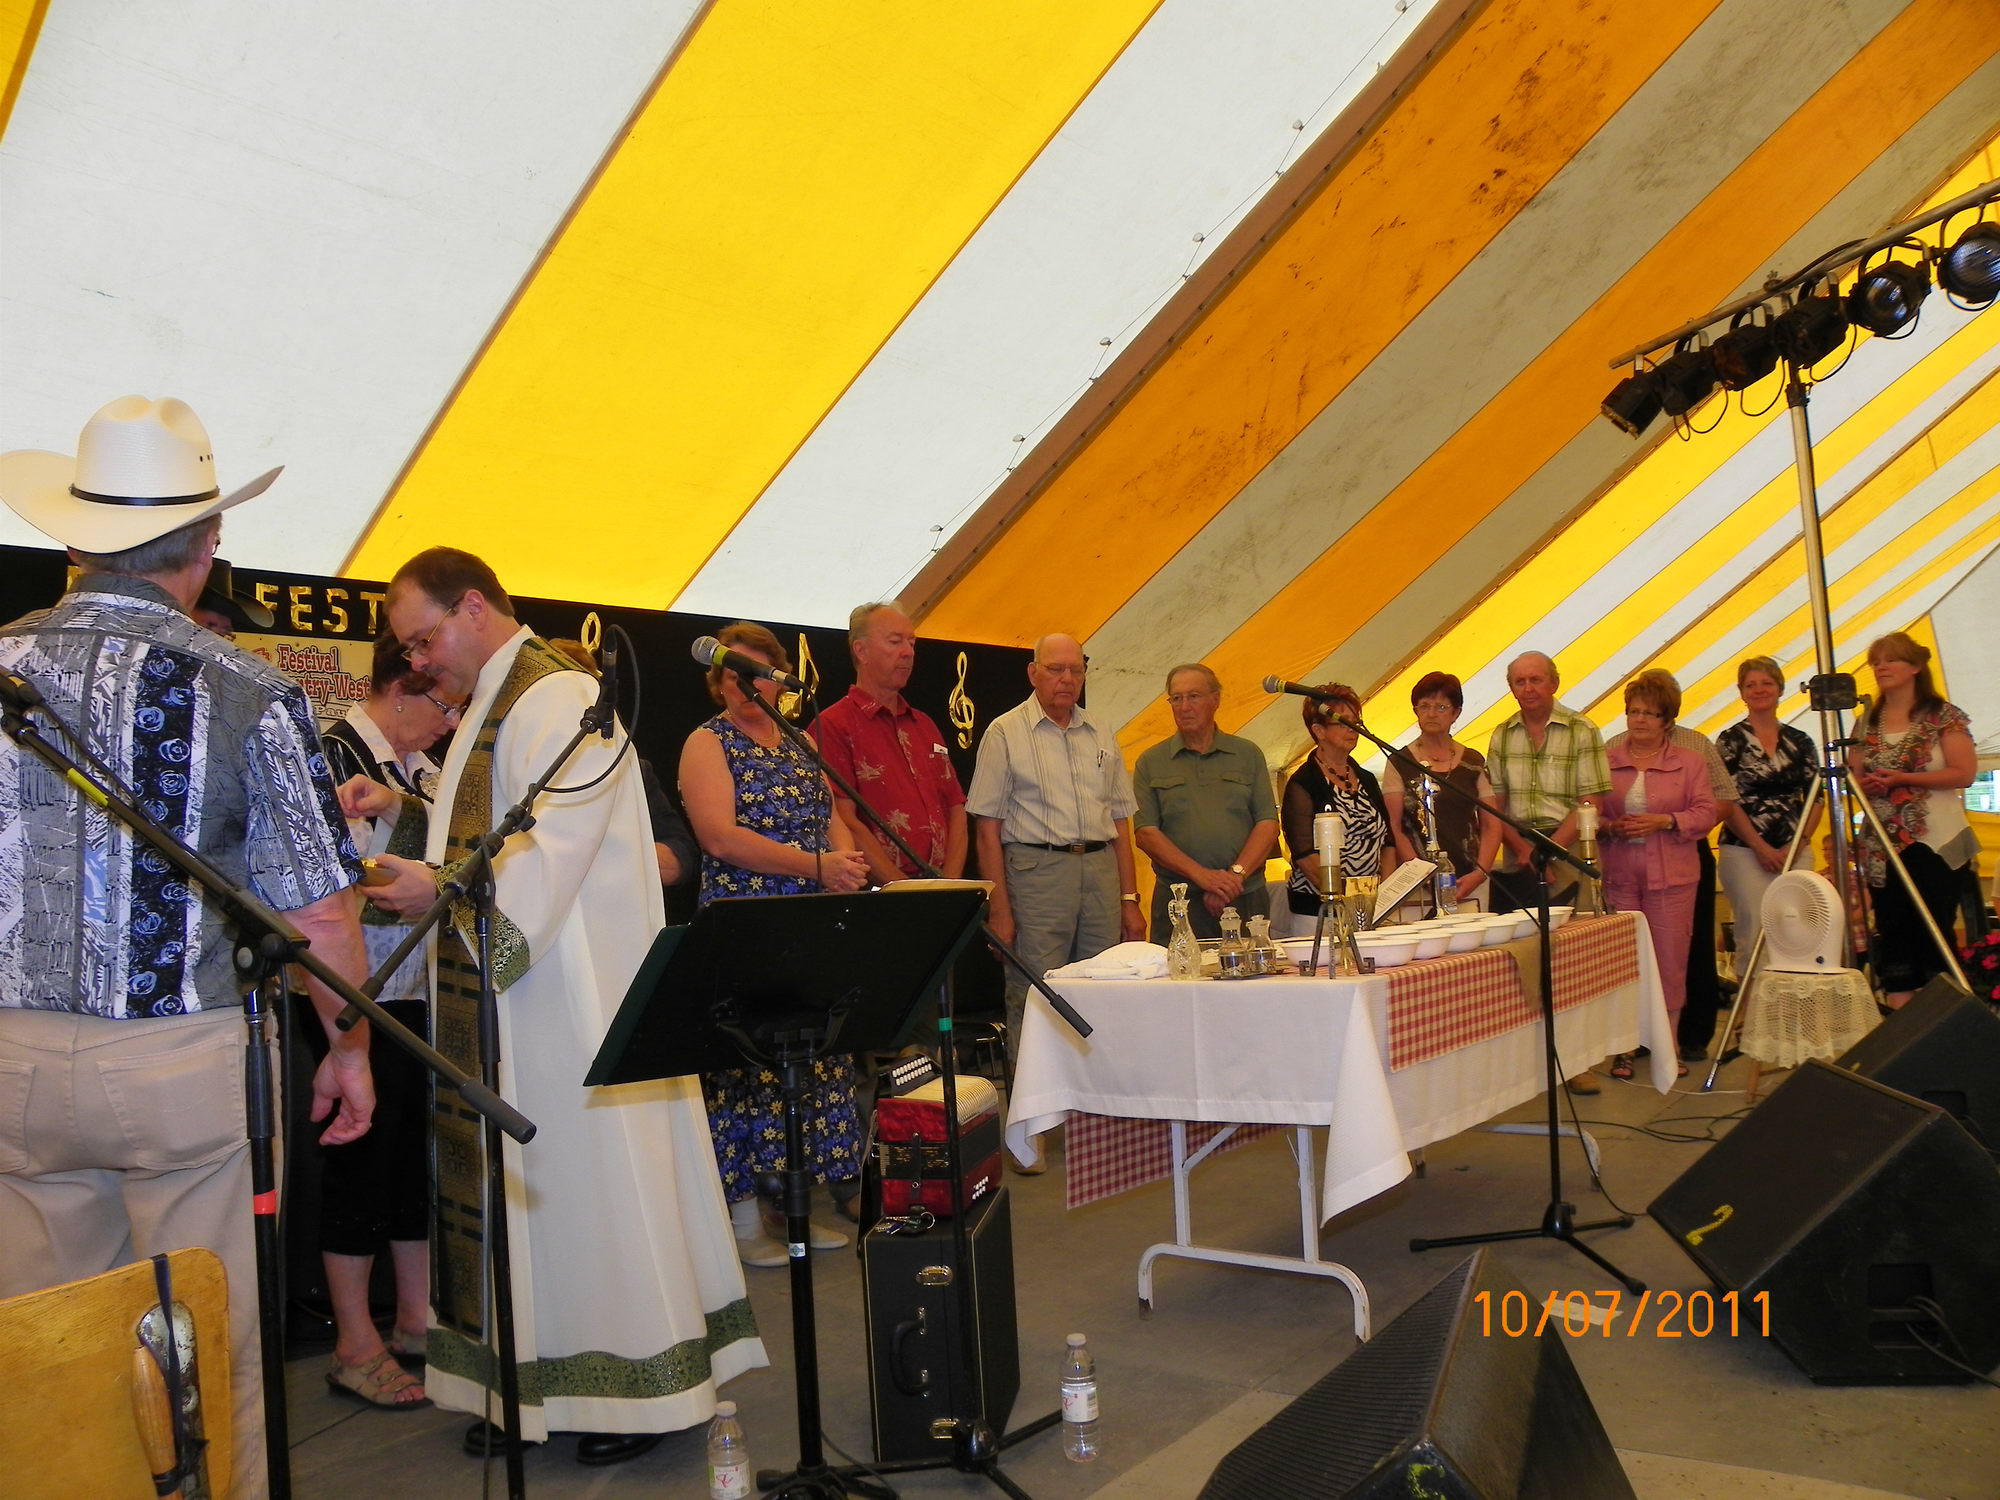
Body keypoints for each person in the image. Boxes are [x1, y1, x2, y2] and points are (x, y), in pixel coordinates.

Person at [0, 396, 375, 1497]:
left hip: (13, 1057)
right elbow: (321, 915)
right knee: (197, 1342)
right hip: (179, 1058)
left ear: (73, 540)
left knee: (49, 1347)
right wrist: (348, 1049)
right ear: (208, 543)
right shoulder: (247, 689)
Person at [359, 548, 763, 1464]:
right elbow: (485, 833)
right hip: (526, 1001)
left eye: (422, 639)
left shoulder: (555, 697)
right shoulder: (499, 699)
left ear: (472, 606)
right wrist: (400, 817)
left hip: (574, 1000)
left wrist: (441, 890)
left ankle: (635, 1398)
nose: (418, 661)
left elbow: (555, 853)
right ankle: (529, 1385)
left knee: (592, 1192)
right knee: (534, 1203)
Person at [679, 621, 869, 1267]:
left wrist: (844, 862)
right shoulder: (707, 741)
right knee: (745, 1068)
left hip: (809, 921)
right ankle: (741, 1223)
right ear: (718, 681)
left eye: (755, 672)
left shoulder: (800, 739)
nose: (744, 683)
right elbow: (719, 837)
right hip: (747, 923)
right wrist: (817, 866)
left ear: (778, 680)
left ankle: (796, 1212)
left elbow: (833, 817)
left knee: (811, 1060)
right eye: (731, 672)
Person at [312, 635, 461, 1409]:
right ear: (401, 688)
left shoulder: (423, 770)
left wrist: (406, 818)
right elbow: (344, 883)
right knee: (359, 1165)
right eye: (442, 703)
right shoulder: (333, 755)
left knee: (412, 1162)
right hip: (348, 992)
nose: (450, 720)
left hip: (416, 988)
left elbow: (455, 851)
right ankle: (353, 1342)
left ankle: (413, 1318)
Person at [966, 633, 1145, 1090]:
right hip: (1036, 873)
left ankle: (1100, 1106)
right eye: (1055, 669)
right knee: (1035, 992)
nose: (1067, 679)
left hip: (1101, 871)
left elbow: (1121, 821)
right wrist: (999, 910)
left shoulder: (1101, 731)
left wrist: (1130, 899)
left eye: (1076, 670)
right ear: (1033, 673)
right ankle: (1036, 1114)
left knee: (1104, 986)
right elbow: (986, 829)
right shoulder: (1005, 732)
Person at [1484, 652, 1611, 1093]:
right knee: (1519, 960)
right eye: (1519, 682)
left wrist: (1550, 850)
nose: (1528, 688)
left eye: (1536, 680)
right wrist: (1523, 849)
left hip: (1571, 849)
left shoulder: (1582, 729)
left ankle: (1577, 1062)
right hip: (1517, 853)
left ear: (1554, 683)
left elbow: (1592, 800)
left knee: (1572, 959)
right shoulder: (1501, 735)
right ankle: (1525, 1062)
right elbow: (1495, 804)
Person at [1605, 667, 1739, 1060]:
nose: (1639, 720)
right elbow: (1589, 812)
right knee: (1624, 961)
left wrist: (1666, 821)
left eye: (1649, 713)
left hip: (1673, 876)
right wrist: (1611, 828)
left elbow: (1708, 811)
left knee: (1670, 961)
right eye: (1633, 711)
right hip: (1621, 875)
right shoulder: (1605, 758)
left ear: (1668, 720)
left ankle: (1670, 1044)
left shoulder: (1692, 758)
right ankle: (1627, 1046)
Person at [1851, 632, 1977, 1006]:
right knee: (1893, 928)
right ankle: (1901, 1013)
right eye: (1876, 662)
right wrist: (1866, 784)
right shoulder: (1865, 722)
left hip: (1936, 840)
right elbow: (1853, 775)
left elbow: (1964, 773)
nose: (1881, 668)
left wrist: (1905, 778)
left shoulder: (1944, 716)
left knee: (1933, 925)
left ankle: (1942, 1015)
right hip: (1882, 843)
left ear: (1916, 667)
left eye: (1891, 660)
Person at [812, 602, 968, 882]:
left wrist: (951, 885)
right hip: (878, 892)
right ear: (861, 651)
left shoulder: (924, 725)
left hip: (940, 887)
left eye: (912, 643)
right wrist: (903, 888)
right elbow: (844, 820)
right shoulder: (833, 726)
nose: (908, 652)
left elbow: (956, 807)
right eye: (895, 642)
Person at [1132, 663, 1280, 941]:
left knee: (1250, 970)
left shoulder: (1247, 754)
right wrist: (1203, 877)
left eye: (1193, 696)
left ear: (1216, 699)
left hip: (1245, 897)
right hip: (1179, 903)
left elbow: (1268, 824)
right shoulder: (1151, 762)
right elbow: (1146, 835)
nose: (1184, 706)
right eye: (1176, 698)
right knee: (1176, 969)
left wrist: (1233, 877)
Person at [1715, 656, 1818, 966]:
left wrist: (1797, 844)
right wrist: (1759, 847)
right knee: (1753, 931)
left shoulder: (1801, 741)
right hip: (1743, 850)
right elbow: (1726, 800)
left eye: (1766, 683)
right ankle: (1754, 995)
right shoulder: (1729, 741)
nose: (1759, 690)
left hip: (1795, 849)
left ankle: (1797, 993)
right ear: (1741, 692)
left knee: (1798, 929)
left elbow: (1816, 798)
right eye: (1751, 685)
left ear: (1780, 689)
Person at [1381, 671, 1498, 910]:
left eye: (1441, 707)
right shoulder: (1398, 762)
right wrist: (1420, 874)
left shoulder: (1473, 761)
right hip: (1418, 884)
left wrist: (1480, 873)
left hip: (1471, 879)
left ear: (1456, 713)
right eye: (1424, 706)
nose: (1432, 713)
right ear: (1415, 711)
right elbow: (1394, 826)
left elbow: (1491, 824)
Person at [1281, 683, 1395, 916]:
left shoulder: (1366, 779)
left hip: (1372, 906)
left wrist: (1385, 895)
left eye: (1355, 721)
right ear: (1319, 731)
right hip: (1319, 910)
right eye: (1342, 722)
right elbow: (1304, 855)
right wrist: (1349, 899)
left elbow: (1388, 841)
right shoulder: (1303, 783)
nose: (1352, 729)